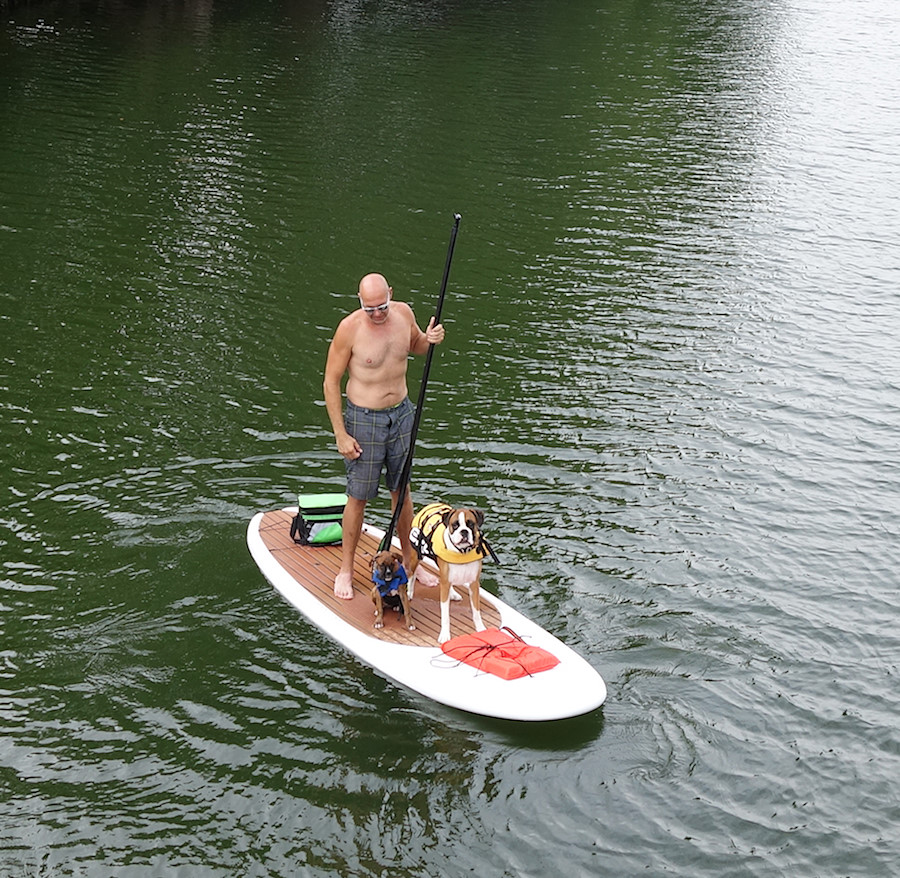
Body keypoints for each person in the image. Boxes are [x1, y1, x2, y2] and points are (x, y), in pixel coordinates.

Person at [323, 272, 445, 599]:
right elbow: (330, 382)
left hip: (402, 413)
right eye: (370, 308)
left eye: (382, 306)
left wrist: (429, 338)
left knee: (401, 491)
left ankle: (411, 563)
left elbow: (416, 346)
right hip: (364, 418)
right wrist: (340, 434)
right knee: (358, 495)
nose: (377, 314)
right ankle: (346, 570)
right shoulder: (349, 329)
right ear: (359, 302)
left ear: (391, 294)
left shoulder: (403, 313)